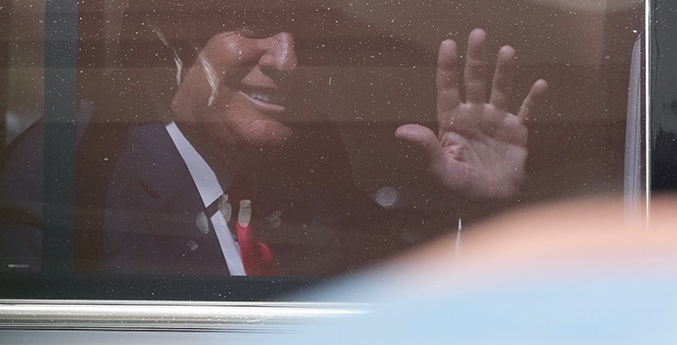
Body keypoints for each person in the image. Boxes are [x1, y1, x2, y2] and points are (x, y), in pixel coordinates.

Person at [98, 19, 547, 276]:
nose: (289, 61)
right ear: (173, 46)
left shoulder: (308, 193)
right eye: (253, 25)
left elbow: (418, 299)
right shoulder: (80, 175)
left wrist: (490, 206)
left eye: (310, 40)